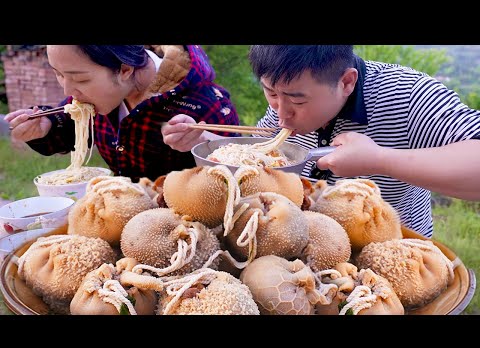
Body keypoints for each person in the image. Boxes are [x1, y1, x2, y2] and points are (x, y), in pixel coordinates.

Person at [161, 45, 480, 238]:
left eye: (297, 101)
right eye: (270, 93)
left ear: (346, 82)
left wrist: (378, 159)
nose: (281, 114)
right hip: (310, 247)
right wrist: (205, 139)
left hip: (396, 248)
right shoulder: (284, 102)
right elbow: (261, 158)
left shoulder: (408, 95)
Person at [4, 45, 240, 181]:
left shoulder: (207, 105)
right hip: (117, 222)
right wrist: (46, 126)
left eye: (79, 78)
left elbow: (242, 178)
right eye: (58, 74)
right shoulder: (97, 95)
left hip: (184, 238)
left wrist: (205, 145)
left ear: (125, 69)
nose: (68, 90)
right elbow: (70, 124)